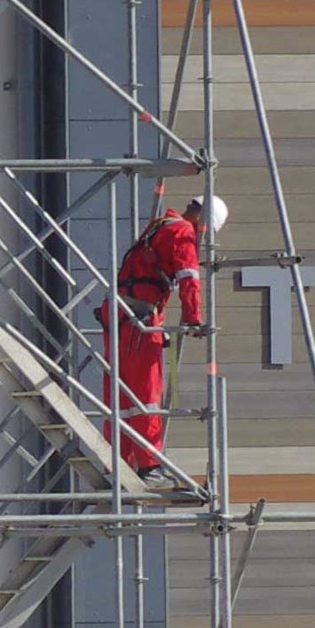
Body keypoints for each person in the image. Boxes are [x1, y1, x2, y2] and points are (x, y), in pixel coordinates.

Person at [100, 188, 223, 484]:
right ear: (200, 218)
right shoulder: (182, 232)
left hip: (121, 315)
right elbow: (188, 278)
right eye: (204, 229)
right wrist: (193, 319)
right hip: (139, 318)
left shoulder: (160, 224)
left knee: (122, 396)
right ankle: (148, 466)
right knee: (146, 394)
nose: (202, 235)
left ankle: (116, 462)